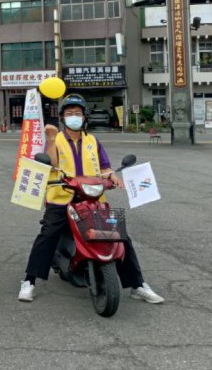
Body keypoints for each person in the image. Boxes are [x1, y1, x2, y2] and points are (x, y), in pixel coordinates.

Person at [17, 93, 163, 305]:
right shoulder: (56, 139)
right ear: (63, 117)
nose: (74, 116)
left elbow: (104, 166)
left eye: (78, 113)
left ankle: (137, 285)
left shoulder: (92, 140)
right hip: (62, 197)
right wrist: (51, 139)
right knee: (48, 234)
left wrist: (112, 176)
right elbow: (52, 163)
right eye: (69, 113)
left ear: (84, 117)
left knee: (119, 236)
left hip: (92, 198)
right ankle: (30, 281)